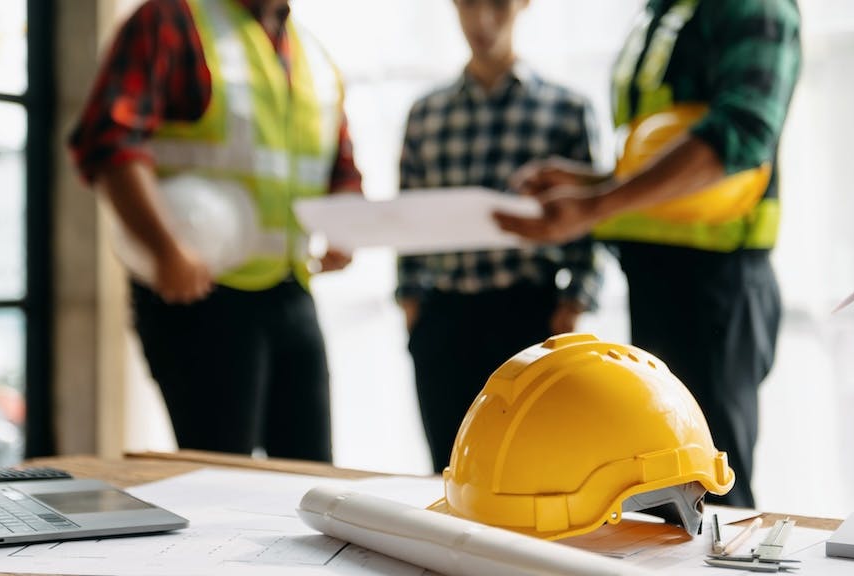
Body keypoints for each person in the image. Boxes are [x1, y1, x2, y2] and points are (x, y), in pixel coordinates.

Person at [495, 0, 801, 507]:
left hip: (716, 285)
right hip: (658, 279)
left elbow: (740, 136)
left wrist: (596, 203)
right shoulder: (665, 11)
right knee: (667, 486)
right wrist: (592, 183)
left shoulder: (752, 7)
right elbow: (663, 154)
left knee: (713, 491)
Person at [69, 0, 362, 462]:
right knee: (220, 478)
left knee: (312, 475)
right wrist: (165, 249)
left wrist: (345, 224)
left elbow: (341, 167)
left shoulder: (315, 57)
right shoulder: (171, 19)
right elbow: (110, 141)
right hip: (201, 297)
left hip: (291, 288)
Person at [398, 0, 603, 473]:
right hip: (444, 319)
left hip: (529, 317)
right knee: (451, 470)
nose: (482, 21)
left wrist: (574, 304)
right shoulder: (425, 114)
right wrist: (412, 309)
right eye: (469, 4)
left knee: (534, 471)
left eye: (498, 5)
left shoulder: (567, 110)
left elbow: (589, 225)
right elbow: (410, 222)